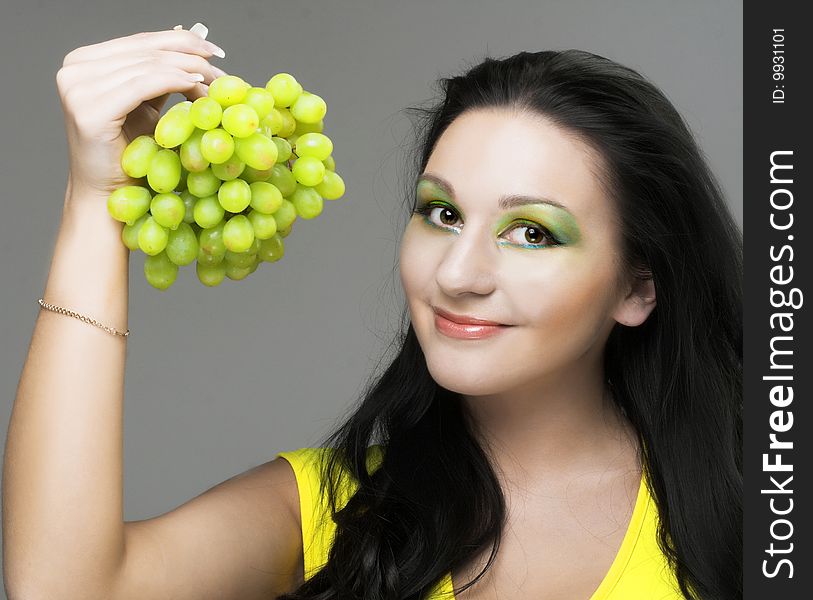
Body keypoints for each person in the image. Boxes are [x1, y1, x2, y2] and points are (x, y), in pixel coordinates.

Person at [2, 25, 741, 600]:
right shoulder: (334, 512)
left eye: (531, 233)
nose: (457, 273)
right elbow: (63, 588)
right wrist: (96, 203)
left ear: (636, 289)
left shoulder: (757, 491)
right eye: (442, 213)